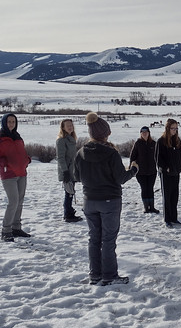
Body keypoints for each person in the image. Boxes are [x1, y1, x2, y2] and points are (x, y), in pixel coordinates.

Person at [74, 112, 138, 286]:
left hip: (89, 200)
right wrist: (133, 170)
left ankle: (95, 275)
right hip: (110, 201)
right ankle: (110, 275)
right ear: (105, 133)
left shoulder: (81, 152)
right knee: (108, 240)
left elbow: (76, 176)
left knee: (94, 239)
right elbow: (120, 178)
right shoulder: (111, 153)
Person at [0, 113, 31, 242]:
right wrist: (3, 163)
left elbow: (21, 152)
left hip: (22, 173)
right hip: (8, 174)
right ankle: (6, 230)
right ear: (3, 123)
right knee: (13, 202)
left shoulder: (18, 137)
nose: (11, 124)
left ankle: (16, 228)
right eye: (9, 121)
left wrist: (26, 160)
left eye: (13, 121)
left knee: (20, 201)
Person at [156, 118, 181, 227]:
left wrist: (180, 166)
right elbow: (158, 158)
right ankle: (167, 219)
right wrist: (165, 168)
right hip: (166, 174)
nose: (175, 131)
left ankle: (174, 218)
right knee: (167, 197)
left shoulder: (177, 141)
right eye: (173, 128)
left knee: (174, 196)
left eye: (176, 128)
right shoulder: (161, 141)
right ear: (168, 128)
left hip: (176, 173)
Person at [56, 118, 82, 223]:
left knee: (71, 192)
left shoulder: (71, 138)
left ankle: (70, 211)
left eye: (71, 125)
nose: (70, 127)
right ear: (63, 127)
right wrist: (65, 172)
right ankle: (68, 214)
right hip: (67, 171)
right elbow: (60, 158)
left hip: (73, 170)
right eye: (68, 125)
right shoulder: (61, 140)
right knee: (69, 192)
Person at [130, 126, 160, 214]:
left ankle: (152, 207)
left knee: (150, 188)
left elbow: (159, 157)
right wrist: (132, 168)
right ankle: (146, 207)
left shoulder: (154, 144)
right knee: (144, 188)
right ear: (140, 134)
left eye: (146, 132)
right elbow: (132, 157)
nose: (144, 133)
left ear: (149, 133)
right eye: (142, 132)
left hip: (152, 172)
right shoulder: (138, 143)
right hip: (140, 172)